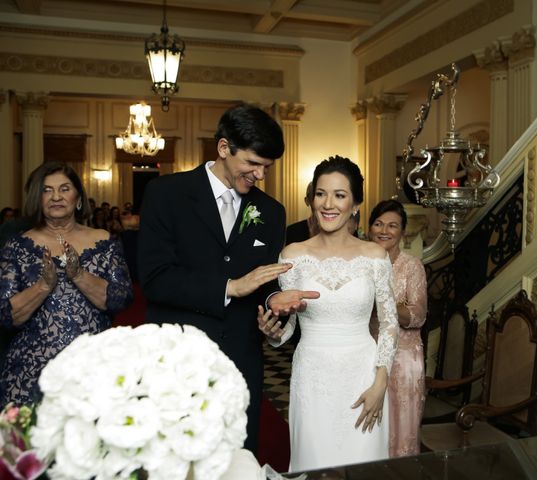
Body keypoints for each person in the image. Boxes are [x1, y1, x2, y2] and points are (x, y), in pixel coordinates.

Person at [137, 103, 318, 455]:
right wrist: (229, 288)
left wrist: (273, 305)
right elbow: (156, 279)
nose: (260, 175)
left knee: (236, 458)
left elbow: (263, 283)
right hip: (177, 358)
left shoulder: (271, 212)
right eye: (252, 163)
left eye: (267, 167)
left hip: (240, 360)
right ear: (223, 148)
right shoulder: (166, 195)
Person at [258, 156, 399, 471]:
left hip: (364, 376)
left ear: (356, 203)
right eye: (321, 193)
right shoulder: (293, 255)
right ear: (311, 199)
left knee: (363, 466)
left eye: (339, 195)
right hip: (312, 375)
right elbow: (291, 324)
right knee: (314, 465)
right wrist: (274, 333)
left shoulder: (375, 256)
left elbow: (389, 324)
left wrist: (381, 383)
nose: (328, 204)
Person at [0, 161, 133, 405]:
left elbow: (121, 300)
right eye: (47, 190)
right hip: (29, 372)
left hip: (92, 369)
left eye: (64, 188)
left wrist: (80, 275)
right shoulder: (17, 246)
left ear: (78, 197)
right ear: (37, 199)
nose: (56, 196)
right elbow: (6, 315)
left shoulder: (104, 241)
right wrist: (42, 286)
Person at [368, 199, 427, 457]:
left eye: (392, 225)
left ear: (402, 232)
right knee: (371, 427)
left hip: (404, 359)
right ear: (369, 228)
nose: (384, 230)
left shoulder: (412, 266)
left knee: (401, 431)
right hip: (369, 354)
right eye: (378, 224)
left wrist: (385, 300)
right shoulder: (363, 263)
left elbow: (417, 315)